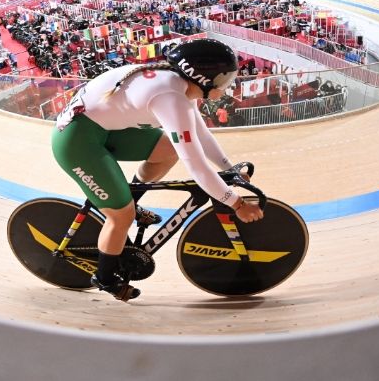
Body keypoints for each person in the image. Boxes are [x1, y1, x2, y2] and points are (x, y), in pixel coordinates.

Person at [51, 39, 264, 301]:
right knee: (121, 216)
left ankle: (131, 197)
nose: (228, 85)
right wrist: (237, 204)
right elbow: (196, 165)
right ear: (204, 78)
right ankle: (105, 278)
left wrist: (228, 169)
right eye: (224, 78)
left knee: (167, 149)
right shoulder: (170, 97)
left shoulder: (180, 85)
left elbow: (200, 133)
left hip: (100, 127)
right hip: (76, 141)